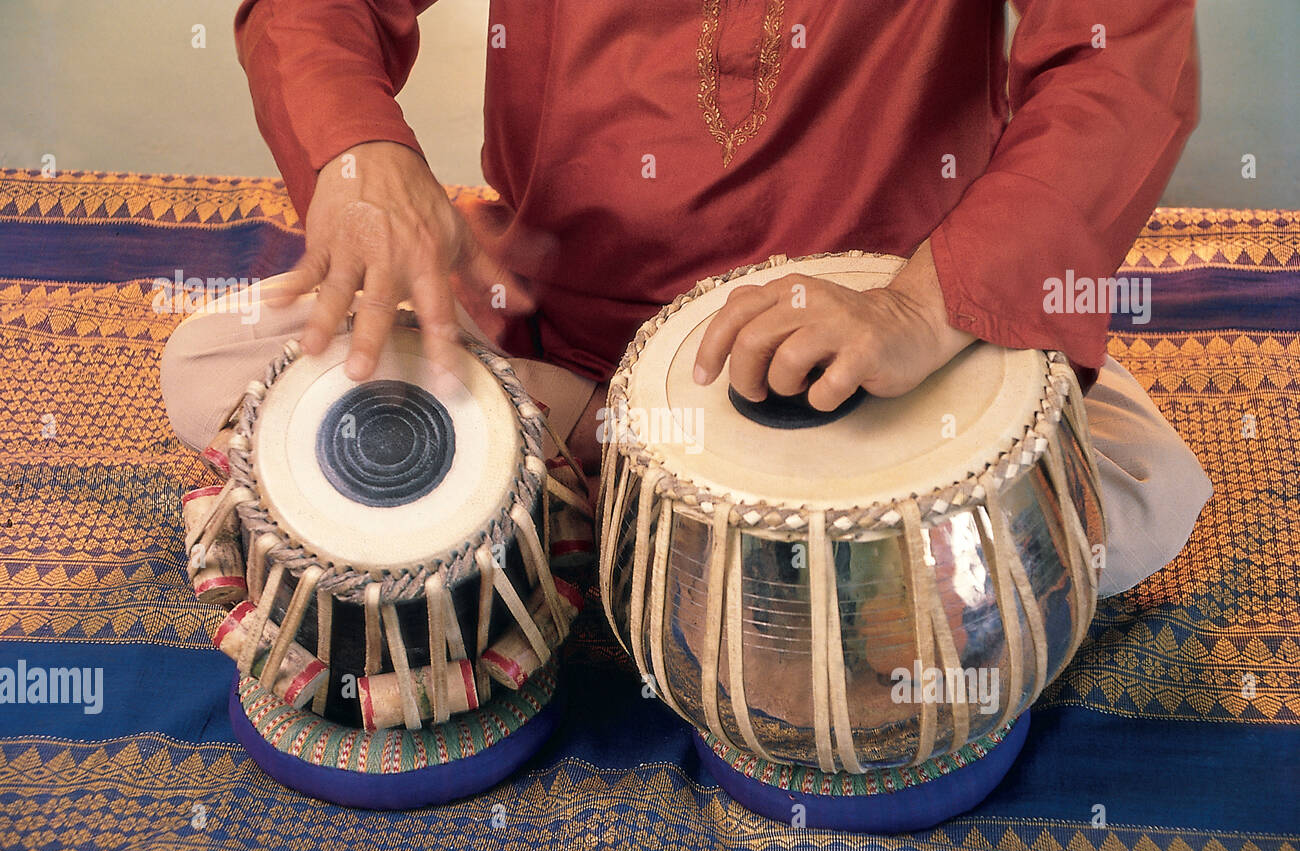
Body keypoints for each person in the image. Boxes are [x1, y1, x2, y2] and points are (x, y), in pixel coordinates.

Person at [162, 0, 1212, 596]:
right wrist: (358, 155)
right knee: (209, 361)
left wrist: (917, 312)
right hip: (569, 331)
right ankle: (740, 542)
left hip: (867, 364)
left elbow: (1118, 61)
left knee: (1145, 491)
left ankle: (570, 510)